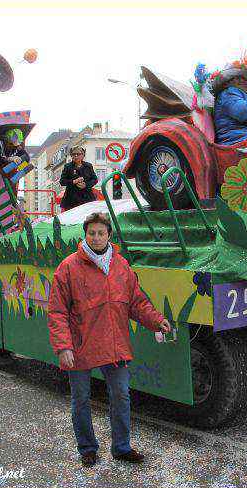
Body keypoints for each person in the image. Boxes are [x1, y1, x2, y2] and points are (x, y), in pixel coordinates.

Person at [48, 213, 172, 467]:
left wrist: (156, 320)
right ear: (85, 234)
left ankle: (121, 447)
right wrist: (63, 347)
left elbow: (137, 302)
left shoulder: (121, 266)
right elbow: (58, 311)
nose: (96, 237)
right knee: (81, 399)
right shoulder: (68, 267)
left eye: (100, 233)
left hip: (114, 343)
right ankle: (87, 448)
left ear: (108, 236)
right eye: (91, 233)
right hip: (80, 345)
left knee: (121, 395)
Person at [59, 146, 98, 212]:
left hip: (87, 198)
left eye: (78, 154)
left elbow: (95, 180)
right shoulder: (68, 166)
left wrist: (86, 185)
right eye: (74, 154)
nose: (76, 156)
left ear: (83, 155)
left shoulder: (88, 166)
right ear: (71, 155)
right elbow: (62, 182)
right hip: (71, 199)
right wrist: (74, 181)